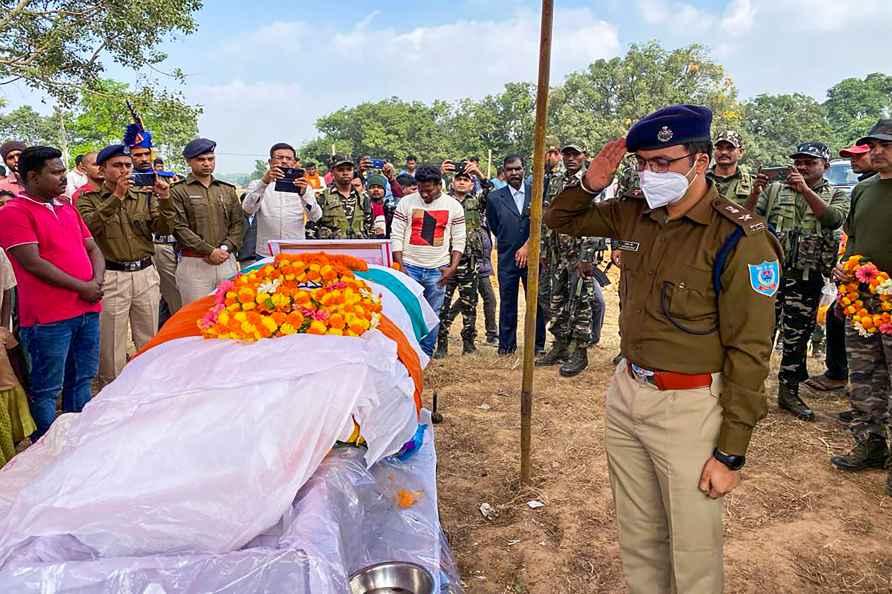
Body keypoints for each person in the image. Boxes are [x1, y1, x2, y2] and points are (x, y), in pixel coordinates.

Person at [545, 105, 781, 594]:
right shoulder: (635, 215)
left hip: (689, 406)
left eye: (664, 162)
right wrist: (591, 182)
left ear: (700, 160)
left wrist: (731, 452)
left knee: (693, 553)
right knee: (639, 538)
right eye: (644, 163)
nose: (651, 173)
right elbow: (560, 218)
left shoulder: (739, 237)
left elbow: (751, 352)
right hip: (628, 394)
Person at [0, 146, 105, 440]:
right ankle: (45, 450)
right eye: (56, 172)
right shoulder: (13, 212)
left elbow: (93, 247)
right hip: (48, 319)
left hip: (86, 310)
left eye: (62, 171)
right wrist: (83, 286)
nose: (63, 178)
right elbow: (32, 262)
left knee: (82, 380)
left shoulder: (66, 206)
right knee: (47, 389)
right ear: (33, 176)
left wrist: (96, 281)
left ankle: (76, 440)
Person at [749, 141, 850, 421]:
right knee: (760, 335)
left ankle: (788, 392)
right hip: (769, 277)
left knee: (797, 337)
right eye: (799, 162)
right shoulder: (774, 190)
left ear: (825, 166)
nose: (802, 167)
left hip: (805, 279)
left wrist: (805, 191)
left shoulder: (836, 194)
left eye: (810, 162)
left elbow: (832, 220)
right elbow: (749, 219)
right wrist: (757, 190)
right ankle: (751, 392)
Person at [829, 120, 892, 495]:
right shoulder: (863, 189)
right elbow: (852, 239)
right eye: (873, 145)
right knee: (865, 377)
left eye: (885, 144)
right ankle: (869, 443)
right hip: (862, 302)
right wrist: (843, 276)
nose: (877, 150)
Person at [77, 144, 174, 388]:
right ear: (102, 169)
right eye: (117, 166)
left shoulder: (143, 196)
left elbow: (164, 229)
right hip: (111, 275)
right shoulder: (87, 199)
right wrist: (117, 197)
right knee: (112, 342)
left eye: (127, 165)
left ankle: (149, 387)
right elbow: (89, 228)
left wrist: (164, 200)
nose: (124, 170)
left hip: (144, 272)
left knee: (148, 336)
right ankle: (113, 390)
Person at [805, 144, 875, 395]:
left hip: (878, 278)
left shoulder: (868, 188)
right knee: (841, 319)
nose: (854, 160)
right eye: (850, 157)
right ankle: (848, 382)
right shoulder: (864, 187)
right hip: (857, 271)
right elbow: (852, 233)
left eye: (859, 155)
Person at [536, 141, 601, 377]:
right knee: (555, 300)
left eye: (576, 154)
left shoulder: (591, 182)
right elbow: (548, 215)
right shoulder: (555, 180)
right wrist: (544, 249)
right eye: (567, 154)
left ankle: (580, 351)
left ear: (585, 155)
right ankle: (560, 345)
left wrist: (587, 255)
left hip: (578, 252)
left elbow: (597, 218)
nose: (571, 158)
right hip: (556, 252)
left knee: (581, 301)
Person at [390, 165, 465, 357]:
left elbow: (459, 239)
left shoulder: (453, 206)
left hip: (438, 270)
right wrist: (401, 266)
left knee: (433, 313)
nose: (424, 194)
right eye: (421, 189)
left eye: (429, 190)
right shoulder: (406, 203)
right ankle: (408, 352)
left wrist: (452, 268)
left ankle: (425, 354)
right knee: (408, 311)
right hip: (409, 267)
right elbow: (396, 235)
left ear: (440, 185)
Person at [485, 154, 546, 355]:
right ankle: (506, 346)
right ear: (504, 172)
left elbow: (542, 224)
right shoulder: (494, 198)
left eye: (518, 169)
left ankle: (537, 346)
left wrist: (528, 247)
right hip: (507, 258)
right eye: (510, 169)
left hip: (534, 258)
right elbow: (495, 226)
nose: (514, 173)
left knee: (535, 303)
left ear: (524, 169)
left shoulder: (536, 193)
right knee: (508, 301)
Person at [170, 138, 243, 306]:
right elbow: (179, 228)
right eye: (201, 159)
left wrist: (224, 248)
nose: (207, 163)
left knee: (229, 314)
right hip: (195, 263)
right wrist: (209, 251)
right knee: (195, 318)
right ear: (188, 161)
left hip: (226, 260)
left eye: (210, 159)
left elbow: (238, 224)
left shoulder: (227, 190)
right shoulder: (178, 191)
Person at [126, 120, 181, 322]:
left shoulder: (166, 178)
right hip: (145, 246)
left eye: (146, 154)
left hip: (172, 242)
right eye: (137, 155)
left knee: (175, 295)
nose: (143, 159)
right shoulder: (124, 182)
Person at [434, 163, 490, 357]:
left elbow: (492, 193)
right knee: (443, 304)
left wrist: (479, 173)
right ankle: (441, 344)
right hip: (446, 261)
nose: (461, 182)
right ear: (452, 182)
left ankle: (468, 343)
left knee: (469, 303)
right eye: (458, 179)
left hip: (469, 261)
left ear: (471, 184)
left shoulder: (476, 201)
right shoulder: (443, 201)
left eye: (465, 179)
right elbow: (428, 192)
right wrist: (439, 173)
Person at [242, 143, 322, 258]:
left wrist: (304, 194)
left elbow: (316, 216)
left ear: (294, 163)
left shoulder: (304, 187)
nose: (284, 161)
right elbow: (247, 210)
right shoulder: (257, 184)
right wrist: (264, 182)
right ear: (270, 162)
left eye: (289, 158)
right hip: (266, 252)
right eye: (279, 158)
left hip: (296, 251)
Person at [314, 155, 372, 239]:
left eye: (349, 169)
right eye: (340, 170)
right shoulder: (323, 198)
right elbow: (313, 227)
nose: (345, 173)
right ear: (332, 172)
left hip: (359, 248)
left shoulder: (362, 198)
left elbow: (369, 226)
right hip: (332, 249)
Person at [707, 130, 753, 206]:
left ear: (740, 152)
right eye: (719, 148)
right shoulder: (700, 179)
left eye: (730, 148)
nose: (724, 152)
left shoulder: (751, 184)